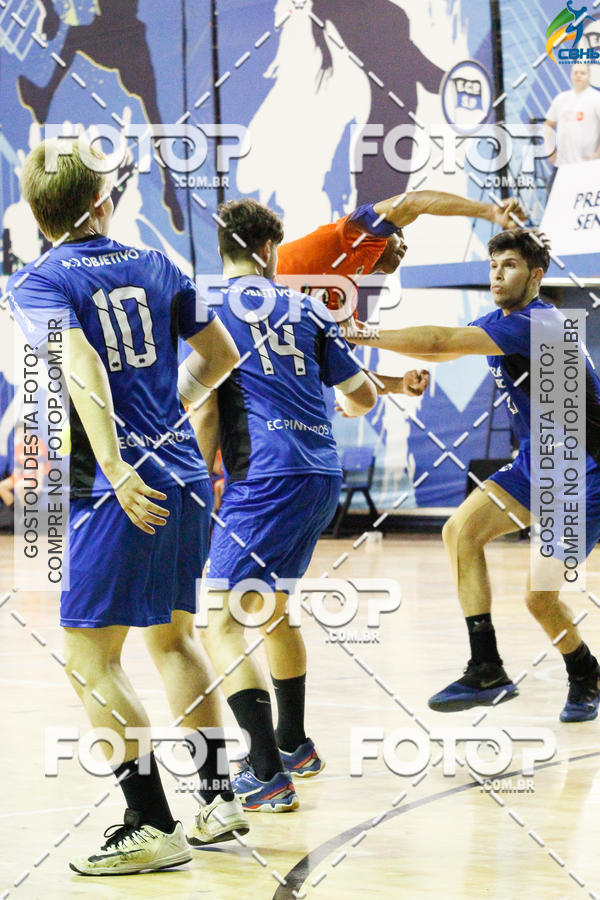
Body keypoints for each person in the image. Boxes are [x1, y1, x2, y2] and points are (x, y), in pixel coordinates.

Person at [8, 137, 248, 875]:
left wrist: (113, 463)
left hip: (121, 490)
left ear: (36, 210)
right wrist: (171, 414)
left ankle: (150, 823)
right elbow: (221, 356)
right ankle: (218, 797)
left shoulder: (38, 281)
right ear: (103, 202)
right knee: (172, 639)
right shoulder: (156, 261)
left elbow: (79, 365)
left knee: (88, 659)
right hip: (181, 476)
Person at [348, 228, 600, 722]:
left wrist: (360, 333)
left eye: (509, 265)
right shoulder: (504, 320)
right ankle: (485, 667)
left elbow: (443, 339)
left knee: (539, 599)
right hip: (539, 466)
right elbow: (444, 348)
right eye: (493, 266)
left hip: (583, 474)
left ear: (537, 275)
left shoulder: (539, 320)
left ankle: (585, 672)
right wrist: (408, 376)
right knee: (459, 530)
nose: (498, 274)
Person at [189, 198, 378, 812]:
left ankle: (266, 772)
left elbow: (208, 406)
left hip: (265, 480)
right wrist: (344, 406)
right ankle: (294, 743)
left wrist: (197, 486)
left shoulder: (209, 308)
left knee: (216, 618)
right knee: (272, 609)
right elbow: (363, 394)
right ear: (269, 250)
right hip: (320, 474)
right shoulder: (305, 307)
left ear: (224, 249)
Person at [544, 64, 600, 168]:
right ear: (571, 75)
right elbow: (548, 125)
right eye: (575, 73)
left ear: (589, 76)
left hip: (589, 164)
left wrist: (598, 154)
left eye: (583, 73)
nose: (579, 75)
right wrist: (550, 150)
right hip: (562, 165)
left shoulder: (596, 98)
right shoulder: (561, 99)